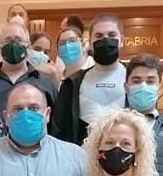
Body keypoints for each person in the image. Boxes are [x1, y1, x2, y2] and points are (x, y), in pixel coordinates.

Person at [54, 13, 127, 145]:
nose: (105, 40)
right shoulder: (71, 84)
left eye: (111, 35)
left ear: (122, 40)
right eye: (99, 36)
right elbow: (58, 132)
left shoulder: (136, 80)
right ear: (90, 43)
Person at [0, 21, 58, 124]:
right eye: (8, 40)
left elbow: (55, 124)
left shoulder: (46, 84)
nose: (13, 44)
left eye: (18, 40)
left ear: (28, 46)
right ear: (0, 47)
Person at [0, 4, 29, 68]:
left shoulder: (31, 41)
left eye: (21, 14)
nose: (17, 17)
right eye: (13, 15)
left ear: (26, 20)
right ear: (8, 20)